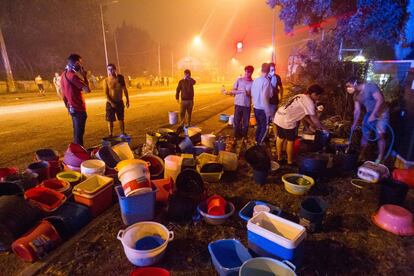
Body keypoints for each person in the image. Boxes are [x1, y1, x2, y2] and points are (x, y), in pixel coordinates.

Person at [274, 84, 327, 165]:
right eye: (318, 96)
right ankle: (289, 161)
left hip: (279, 115)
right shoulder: (309, 102)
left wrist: (310, 124)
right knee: (290, 141)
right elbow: (315, 119)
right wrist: (324, 129)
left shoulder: (301, 96)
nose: (318, 98)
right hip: (287, 119)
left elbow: (303, 114)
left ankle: (279, 158)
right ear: (314, 94)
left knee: (280, 138)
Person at [346, 77, 390, 163]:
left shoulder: (370, 87)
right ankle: (361, 155)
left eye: (349, 85)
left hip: (382, 114)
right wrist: (354, 124)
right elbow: (357, 111)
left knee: (380, 135)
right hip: (369, 114)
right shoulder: (356, 95)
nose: (348, 88)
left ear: (355, 83)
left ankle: (380, 158)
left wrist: (374, 114)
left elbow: (380, 99)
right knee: (365, 135)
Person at [61, 53, 91, 146]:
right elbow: (87, 90)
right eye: (80, 63)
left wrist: (68, 106)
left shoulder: (63, 75)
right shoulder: (73, 76)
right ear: (76, 63)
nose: (81, 66)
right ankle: (79, 156)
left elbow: (63, 94)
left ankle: (76, 153)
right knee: (79, 136)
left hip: (72, 108)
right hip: (79, 109)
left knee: (76, 133)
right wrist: (84, 76)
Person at [104, 63, 130, 137]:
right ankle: (110, 134)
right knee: (110, 119)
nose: (110, 71)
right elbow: (106, 94)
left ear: (115, 69)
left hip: (119, 102)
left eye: (112, 69)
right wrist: (111, 103)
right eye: (109, 69)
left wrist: (127, 100)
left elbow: (125, 89)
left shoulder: (120, 78)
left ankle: (122, 132)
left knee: (121, 118)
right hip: (110, 103)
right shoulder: (106, 81)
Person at [231, 65, 254, 138]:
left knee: (246, 123)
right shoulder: (239, 80)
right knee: (236, 122)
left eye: (249, 72)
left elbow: (254, 94)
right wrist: (239, 91)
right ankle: (236, 137)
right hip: (238, 104)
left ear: (251, 73)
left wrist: (248, 93)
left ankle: (244, 137)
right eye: (246, 72)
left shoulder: (253, 82)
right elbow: (233, 90)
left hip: (247, 106)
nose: (247, 73)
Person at [251, 63, 272, 144]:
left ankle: (256, 140)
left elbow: (252, 93)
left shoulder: (256, 80)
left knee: (259, 125)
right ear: (268, 71)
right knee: (264, 127)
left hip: (256, 107)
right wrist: (268, 112)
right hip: (263, 109)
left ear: (261, 69)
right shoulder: (266, 81)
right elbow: (265, 97)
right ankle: (259, 144)